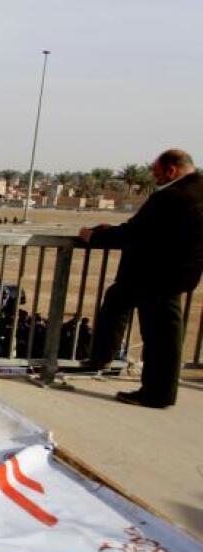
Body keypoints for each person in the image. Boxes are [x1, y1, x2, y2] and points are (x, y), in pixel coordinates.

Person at [78, 149, 203, 408]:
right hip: (166, 274)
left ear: (172, 170)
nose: (155, 178)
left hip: (157, 277)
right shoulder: (196, 191)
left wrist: (96, 237)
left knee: (161, 338)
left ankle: (157, 394)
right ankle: (100, 358)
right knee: (116, 302)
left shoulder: (171, 196)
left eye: (156, 173)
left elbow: (135, 233)